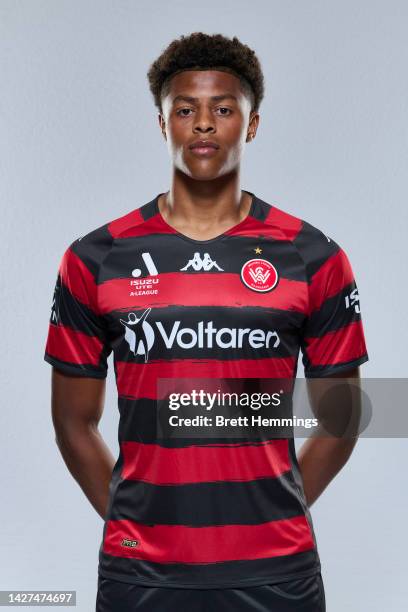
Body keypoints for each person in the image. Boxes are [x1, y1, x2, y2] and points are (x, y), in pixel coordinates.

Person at [44, 32, 369, 611]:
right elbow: (73, 423)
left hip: (279, 574)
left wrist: (278, 507)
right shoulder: (95, 257)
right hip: (140, 576)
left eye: (223, 109)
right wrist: (137, 525)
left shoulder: (312, 255)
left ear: (251, 125)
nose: (203, 125)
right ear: (162, 124)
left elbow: (343, 416)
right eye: (184, 110)